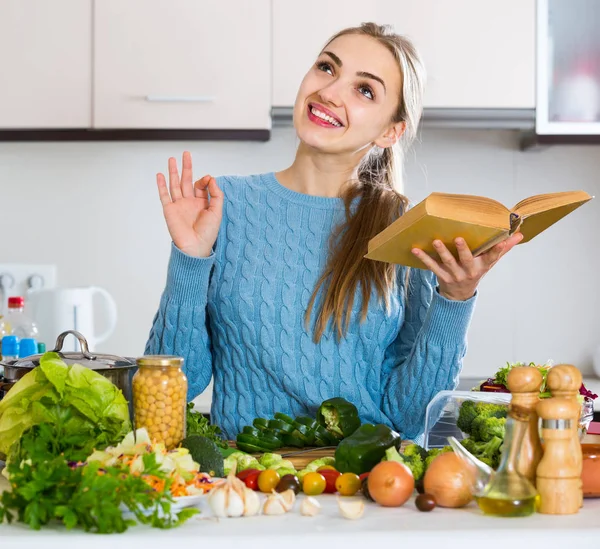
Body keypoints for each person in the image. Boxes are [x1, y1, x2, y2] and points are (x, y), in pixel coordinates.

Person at [145, 22, 522, 444]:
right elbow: (177, 387)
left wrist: (455, 300)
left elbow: (410, 413)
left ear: (390, 131)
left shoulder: (402, 226)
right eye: (327, 68)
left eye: (365, 90)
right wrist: (190, 258)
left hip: (364, 488)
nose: (330, 92)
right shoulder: (224, 205)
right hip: (246, 486)